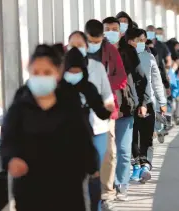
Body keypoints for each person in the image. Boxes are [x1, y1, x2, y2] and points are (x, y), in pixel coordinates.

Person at [0, 44, 99, 211]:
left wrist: (91, 166)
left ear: (58, 73)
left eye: (47, 72)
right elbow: (8, 139)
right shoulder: (20, 105)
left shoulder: (69, 103)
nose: (40, 77)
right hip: (30, 190)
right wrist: (11, 159)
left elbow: (83, 138)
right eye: (36, 72)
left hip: (67, 189)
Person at [102, 17, 150, 202]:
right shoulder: (97, 53)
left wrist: (143, 102)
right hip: (104, 110)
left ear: (121, 32)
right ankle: (110, 185)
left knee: (123, 150)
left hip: (126, 108)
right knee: (108, 151)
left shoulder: (128, 51)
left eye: (115, 28)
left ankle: (122, 184)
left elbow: (141, 77)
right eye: (107, 28)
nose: (111, 31)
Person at [64, 46, 114, 211]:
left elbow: (100, 111)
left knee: (93, 182)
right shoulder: (58, 90)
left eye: (77, 70)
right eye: (71, 70)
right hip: (63, 144)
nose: (74, 73)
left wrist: (107, 110)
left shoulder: (88, 88)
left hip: (86, 140)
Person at [85, 19, 127, 210]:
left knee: (109, 151)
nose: (94, 44)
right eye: (91, 40)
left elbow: (122, 77)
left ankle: (106, 193)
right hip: (82, 111)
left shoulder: (110, 51)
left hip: (106, 108)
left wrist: (103, 88)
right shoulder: (77, 53)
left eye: (97, 40)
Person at [126, 28, 166, 184]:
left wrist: (162, 102)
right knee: (132, 137)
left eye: (144, 40)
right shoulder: (124, 58)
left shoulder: (149, 57)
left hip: (148, 102)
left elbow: (156, 81)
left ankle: (146, 166)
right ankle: (136, 165)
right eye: (139, 40)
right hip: (129, 104)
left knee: (147, 136)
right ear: (130, 41)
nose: (142, 43)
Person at [146, 25, 171, 95]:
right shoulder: (142, 44)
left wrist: (167, 72)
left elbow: (168, 60)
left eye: (152, 31)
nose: (150, 33)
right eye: (149, 31)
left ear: (155, 33)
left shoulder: (161, 45)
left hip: (158, 76)